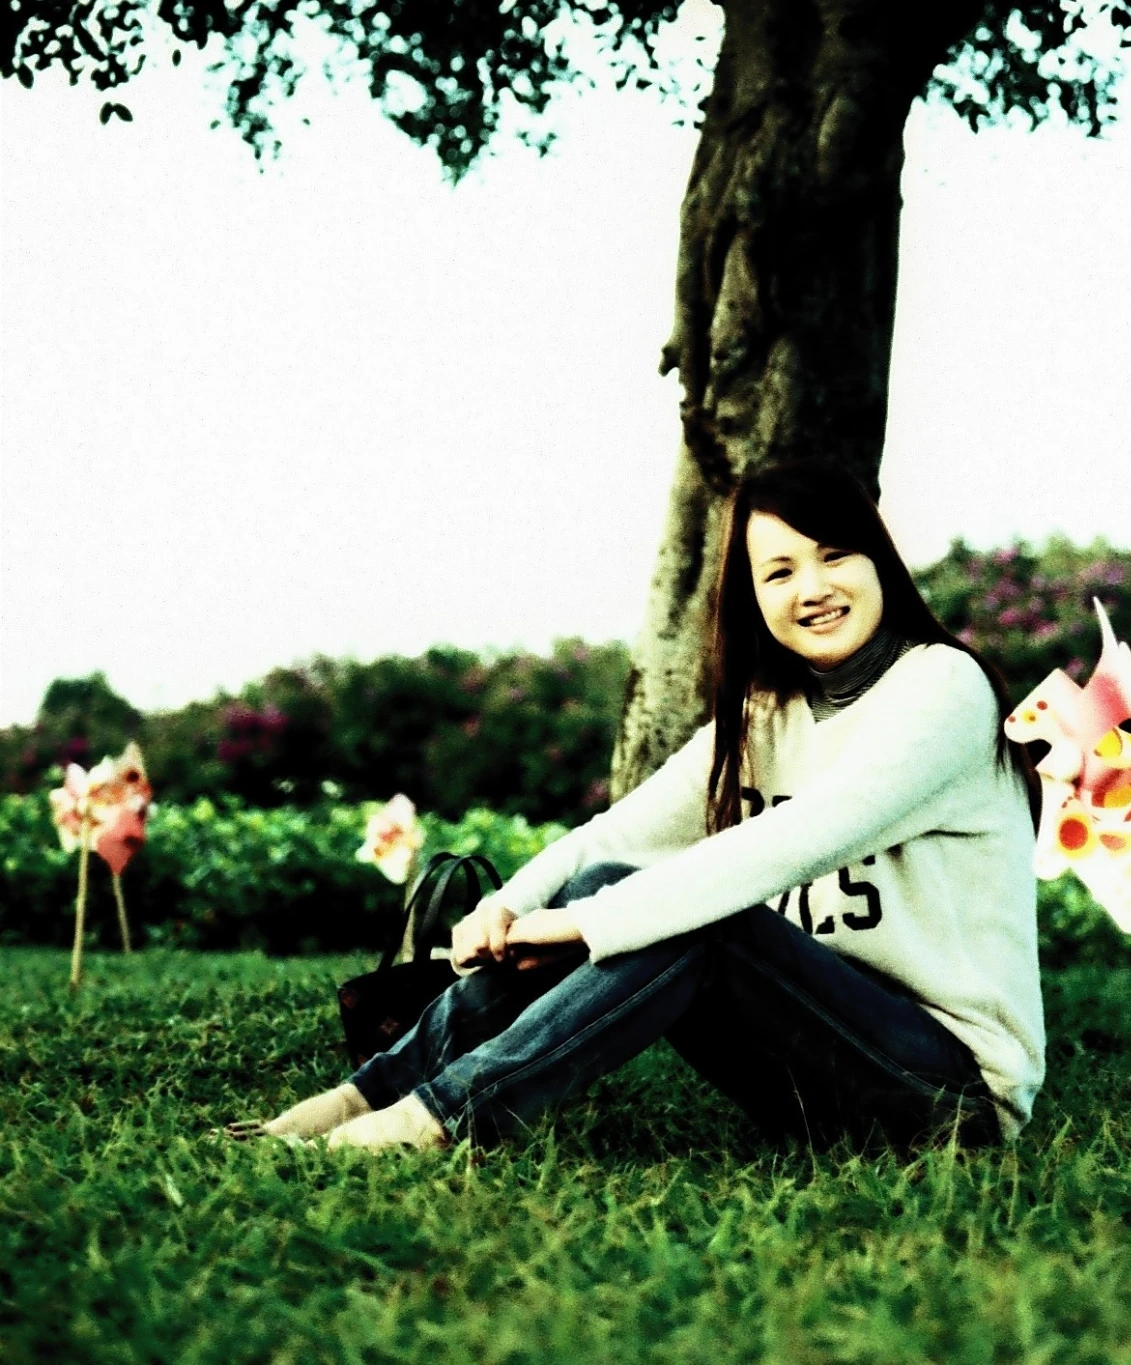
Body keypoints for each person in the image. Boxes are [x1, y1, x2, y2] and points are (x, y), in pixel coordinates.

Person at [253, 459, 1045, 1153]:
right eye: (779, 571)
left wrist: (582, 925)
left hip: (948, 1095)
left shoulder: (942, 686)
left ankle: (438, 1119)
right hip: (810, 1073)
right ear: (751, 594)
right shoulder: (765, 713)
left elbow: (797, 840)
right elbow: (620, 832)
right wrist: (506, 905)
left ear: (881, 562)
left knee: (702, 919)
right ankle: (367, 1094)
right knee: (603, 875)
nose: (812, 587)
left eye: (835, 555)